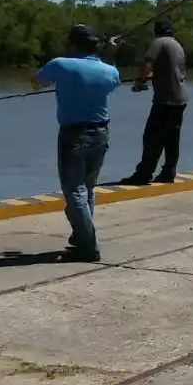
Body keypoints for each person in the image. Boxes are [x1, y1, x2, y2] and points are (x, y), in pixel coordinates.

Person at [31, 25, 122, 263]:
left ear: (72, 44)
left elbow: (36, 83)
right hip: (101, 133)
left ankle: (88, 247)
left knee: (74, 190)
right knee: (87, 188)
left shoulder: (60, 64)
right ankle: (82, 238)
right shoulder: (110, 70)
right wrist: (108, 56)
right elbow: (109, 81)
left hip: (74, 134)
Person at [121, 16, 188, 185]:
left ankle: (144, 174)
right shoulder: (177, 45)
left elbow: (148, 63)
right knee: (171, 138)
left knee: (152, 137)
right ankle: (169, 172)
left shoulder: (159, 42)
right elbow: (172, 70)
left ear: (156, 31)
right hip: (180, 97)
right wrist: (153, 76)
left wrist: (140, 81)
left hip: (166, 98)